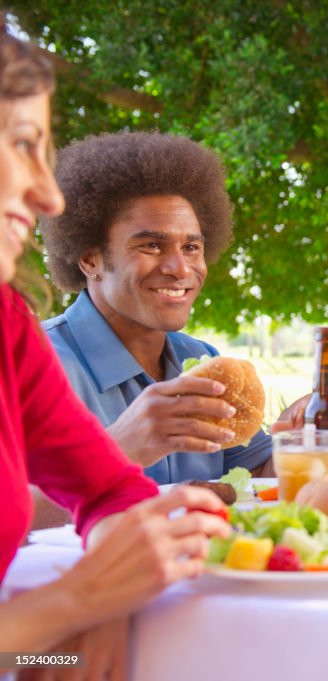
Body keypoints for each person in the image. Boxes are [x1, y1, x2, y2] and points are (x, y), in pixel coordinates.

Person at [0, 31, 229, 678]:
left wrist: (97, 604)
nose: (49, 196)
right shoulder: (46, 341)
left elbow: (107, 488)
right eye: (22, 146)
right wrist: (78, 599)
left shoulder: (6, 325)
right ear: (90, 260)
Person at [38, 131, 273, 485]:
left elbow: (257, 474)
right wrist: (118, 450)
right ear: (90, 260)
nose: (180, 268)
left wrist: (307, 438)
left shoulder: (201, 359)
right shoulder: (32, 364)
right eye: (151, 245)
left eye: (192, 247)